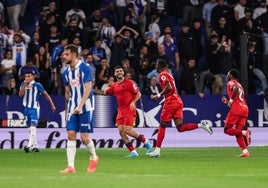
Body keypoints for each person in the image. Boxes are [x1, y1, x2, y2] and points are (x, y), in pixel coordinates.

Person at [147, 59, 213, 157]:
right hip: (177, 100)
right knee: (180, 127)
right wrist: (164, 98)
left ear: (160, 66)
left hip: (171, 101)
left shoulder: (162, 74)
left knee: (162, 125)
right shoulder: (169, 74)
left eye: (156, 65)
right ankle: (201, 125)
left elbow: (169, 87)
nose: (155, 67)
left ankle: (157, 151)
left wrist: (159, 95)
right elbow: (172, 89)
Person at [60, 44, 98, 174]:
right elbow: (67, 92)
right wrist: (68, 109)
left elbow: (88, 88)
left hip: (85, 106)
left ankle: (94, 157)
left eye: (66, 54)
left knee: (84, 137)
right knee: (71, 134)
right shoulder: (65, 73)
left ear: (74, 55)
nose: (63, 56)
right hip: (72, 107)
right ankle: (71, 166)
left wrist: (80, 105)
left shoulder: (85, 68)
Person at [103, 66, 152, 157]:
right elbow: (107, 92)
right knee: (121, 132)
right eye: (117, 71)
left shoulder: (129, 83)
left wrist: (133, 102)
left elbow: (138, 94)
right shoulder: (114, 85)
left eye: (121, 71)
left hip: (130, 110)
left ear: (123, 72)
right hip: (120, 112)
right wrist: (106, 89)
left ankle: (146, 141)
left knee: (128, 130)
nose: (119, 72)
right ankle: (133, 152)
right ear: (115, 74)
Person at [19, 71, 56, 152]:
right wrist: (25, 85)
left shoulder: (37, 85)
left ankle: (28, 146)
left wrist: (52, 104)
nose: (27, 78)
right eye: (26, 76)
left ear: (33, 77)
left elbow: (46, 94)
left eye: (29, 76)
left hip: (34, 109)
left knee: (33, 127)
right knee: (29, 128)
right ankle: (35, 146)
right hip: (26, 109)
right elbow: (20, 95)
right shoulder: (23, 84)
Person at [221, 69, 251, 157]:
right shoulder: (240, 84)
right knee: (237, 131)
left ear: (231, 76)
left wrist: (230, 100)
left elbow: (235, 89)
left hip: (237, 109)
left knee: (227, 129)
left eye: (228, 74)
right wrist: (228, 102)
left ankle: (245, 132)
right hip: (245, 108)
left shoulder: (231, 82)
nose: (227, 76)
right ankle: (245, 152)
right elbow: (239, 97)